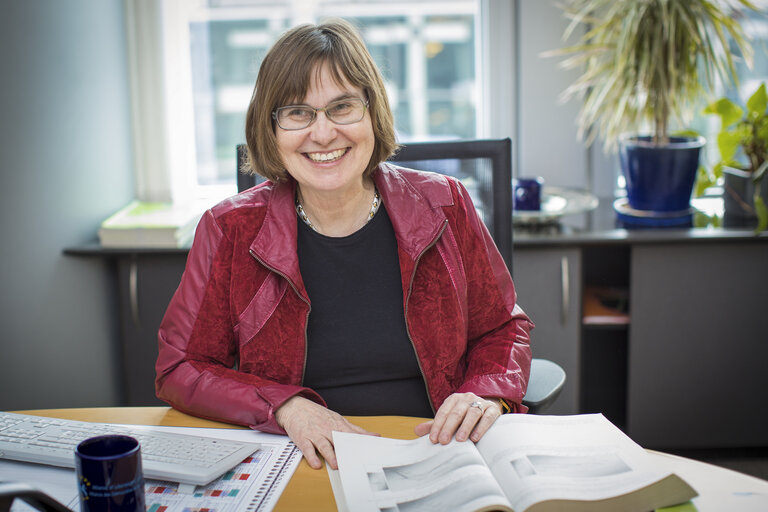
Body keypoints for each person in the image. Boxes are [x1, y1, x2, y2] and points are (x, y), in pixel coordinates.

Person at [155, 18, 533, 471]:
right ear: (271, 129)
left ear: (372, 113)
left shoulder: (444, 203)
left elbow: (502, 328)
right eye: (297, 113)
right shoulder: (229, 228)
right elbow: (180, 368)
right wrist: (284, 407)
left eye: (342, 107)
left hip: (436, 450)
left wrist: (484, 391)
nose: (322, 133)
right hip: (301, 458)